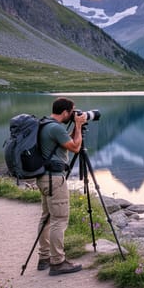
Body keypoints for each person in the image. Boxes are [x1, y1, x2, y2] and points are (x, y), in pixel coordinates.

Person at [35, 97, 87, 276]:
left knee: (46, 218)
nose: (74, 114)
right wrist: (79, 126)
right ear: (65, 112)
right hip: (55, 180)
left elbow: (65, 142)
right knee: (59, 219)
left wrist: (75, 128)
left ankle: (44, 258)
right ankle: (58, 262)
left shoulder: (45, 124)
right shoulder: (56, 128)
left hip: (43, 178)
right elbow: (74, 148)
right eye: (72, 111)